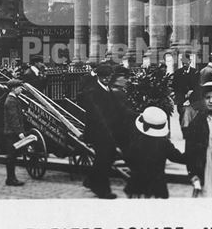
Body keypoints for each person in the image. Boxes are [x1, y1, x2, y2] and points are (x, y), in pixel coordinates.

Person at [78, 64, 124, 199]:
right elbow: (96, 115)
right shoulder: (92, 91)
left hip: (108, 131)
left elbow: (117, 109)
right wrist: (107, 129)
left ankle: (91, 180)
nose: (107, 79)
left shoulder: (108, 89)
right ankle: (102, 190)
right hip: (97, 131)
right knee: (103, 159)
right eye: (104, 77)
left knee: (107, 158)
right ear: (98, 76)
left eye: (109, 77)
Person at [122, 106, 186, 199]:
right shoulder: (163, 143)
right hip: (157, 185)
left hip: (137, 184)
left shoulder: (136, 140)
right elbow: (176, 157)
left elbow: (128, 157)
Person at [0, 80, 27, 187]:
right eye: (19, 87)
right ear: (13, 88)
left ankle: (11, 178)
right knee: (11, 157)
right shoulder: (11, 101)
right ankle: (11, 179)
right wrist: (20, 133)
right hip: (12, 133)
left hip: (12, 132)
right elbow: (14, 119)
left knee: (12, 156)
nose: (21, 89)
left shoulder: (13, 99)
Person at [172, 55, 198, 137]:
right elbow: (174, 86)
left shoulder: (195, 72)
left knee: (192, 115)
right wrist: (183, 94)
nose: (184, 65)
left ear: (190, 62)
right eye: (183, 63)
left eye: (186, 63)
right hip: (181, 98)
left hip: (193, 99)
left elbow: (198, 86)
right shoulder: (177, 73)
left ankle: (191, 132)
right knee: (182, 114)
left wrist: (192, 92)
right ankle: (184, 132)